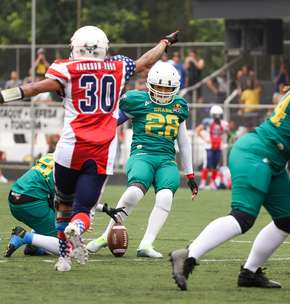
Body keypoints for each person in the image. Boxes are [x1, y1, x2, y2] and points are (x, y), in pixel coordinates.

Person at [0, 25, 179, 271]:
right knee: (82, 210)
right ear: (103, 47)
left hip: (70, 147)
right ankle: (78, 227)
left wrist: (3, 95)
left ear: (76, 46)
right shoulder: (117, 66)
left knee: (63, 206)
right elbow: (145, 62)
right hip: (101, 150)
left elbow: (33, 89)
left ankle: (63, 259)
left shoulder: (66, 68)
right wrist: (164, 43)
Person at [170, 76, 290, 290]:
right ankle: (188, 254)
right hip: (257, 154)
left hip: (273, 160)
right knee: (243, 216)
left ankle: (250, 273)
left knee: (286, 220)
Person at [86, 62, 198, 258]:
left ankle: (146, 244)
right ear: (150, 85)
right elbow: (111, 122)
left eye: (168, 88)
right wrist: (93, 138)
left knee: (165, 197)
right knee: (133, 193)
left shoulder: (179, 106)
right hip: (142, 155)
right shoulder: (137, 100)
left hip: (166, 160)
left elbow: (184, 142)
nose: (163, 92)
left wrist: (190, 174)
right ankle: (105, 236)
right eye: (160, 87)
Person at [4, 154, 125, 258]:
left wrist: (103, 208)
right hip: (32, 202)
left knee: (55, 215)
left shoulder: (55, 156)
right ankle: (24, 237)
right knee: (67, 246)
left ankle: (34, 246)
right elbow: (68, 202)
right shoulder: (69, 169)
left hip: (15, 198)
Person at [195, 105, 228, 190]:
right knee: (207, 165)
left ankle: (212, 183)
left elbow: (227, 133)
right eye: (215, 114)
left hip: (218, 147)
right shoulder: (208, 122)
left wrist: (224, 141)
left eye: (218, 114)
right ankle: (203, 182)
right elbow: (198, 130)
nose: (217, 117)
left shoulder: (223, 123)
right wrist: (205, 139)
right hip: (209, 147)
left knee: (215, 166)